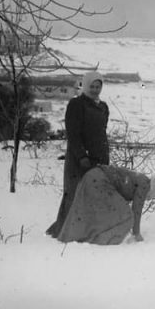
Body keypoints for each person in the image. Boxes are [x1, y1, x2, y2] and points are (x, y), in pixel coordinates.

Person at [46, 71, 110, 238]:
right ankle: (64, 231)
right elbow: (73, 133)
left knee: (93, 194)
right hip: (79, 159)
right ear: (85, 85)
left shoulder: (103, 107)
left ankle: (87, 231)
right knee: (75, 194)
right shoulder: (76, 104)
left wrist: (104, 156)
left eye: (98, 87)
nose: (95, 90)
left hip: (99, 157)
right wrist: (82, 156)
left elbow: (101, 133)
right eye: (92, 86)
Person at [55, 165, 155, 245]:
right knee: (126, 216)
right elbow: (136, 210)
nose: (151, 198)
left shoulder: (140, 179)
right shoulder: (144, 185)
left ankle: (80, 236)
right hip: (100, 181)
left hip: (93, 176)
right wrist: (136, 234)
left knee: (101, 214)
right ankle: (101, 241)